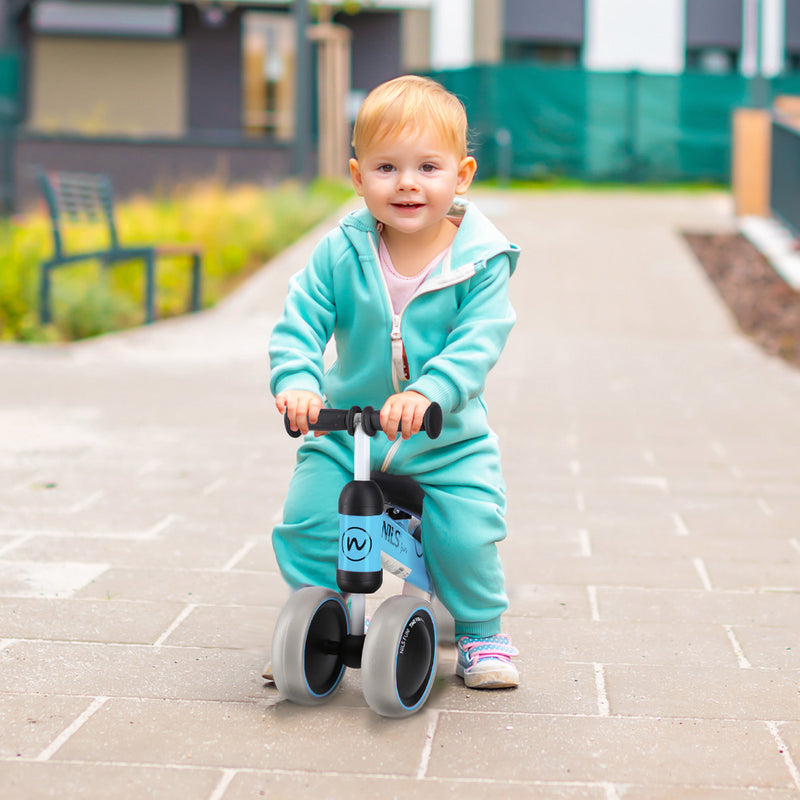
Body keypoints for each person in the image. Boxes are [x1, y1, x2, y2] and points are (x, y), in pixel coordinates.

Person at [268, 75, 520, 689]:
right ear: (357, 177)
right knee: (307, 515)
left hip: (443, 436)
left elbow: (477, 343)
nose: (407, 183)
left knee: (464, 532)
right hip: (349, 430)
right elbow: (300, 322)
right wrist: (299, 381)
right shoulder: (340, 252)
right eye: (386, 167)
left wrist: (428, 391)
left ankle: (483, 629)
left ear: (460, 176)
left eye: (427, 167)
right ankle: (316, 615)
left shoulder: (481, 263)